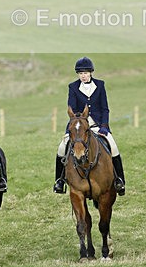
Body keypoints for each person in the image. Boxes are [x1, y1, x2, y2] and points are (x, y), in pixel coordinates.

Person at [53, 56, 126, 195]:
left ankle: (119, 180)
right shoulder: (73, 87)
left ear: (91, 73)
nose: (83, 76)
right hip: (79, 126)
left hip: (98, 125)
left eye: (85, 73)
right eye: (80, 73)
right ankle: (59, 181)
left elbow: (105, 108)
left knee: (113, 146)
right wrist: (77, 121)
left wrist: (104, 125)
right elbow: (72, 108)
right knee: (62, 147)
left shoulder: (100, 85)